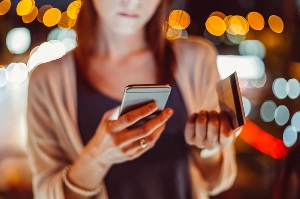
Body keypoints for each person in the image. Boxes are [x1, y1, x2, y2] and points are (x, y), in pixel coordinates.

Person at [26, 0, 239, 198]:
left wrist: (209, 146)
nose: (132, 3)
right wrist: (97, 158)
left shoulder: (198, 60)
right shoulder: (47, 81)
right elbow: (45, 192)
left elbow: (218, 181)